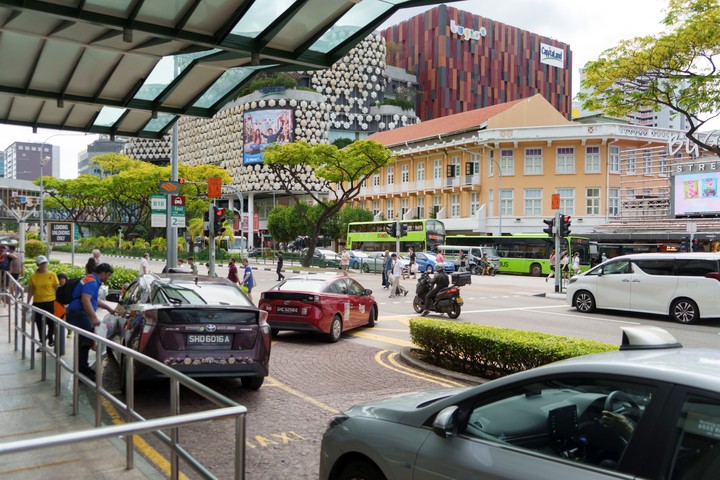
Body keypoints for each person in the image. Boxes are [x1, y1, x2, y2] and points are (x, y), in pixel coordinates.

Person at [65, 263, 115, 381]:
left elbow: (93, 299)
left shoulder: (91, 280)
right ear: (102, 273)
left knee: (84, 342)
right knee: (85, 342)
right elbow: (85, 300)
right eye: (107, 275)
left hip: (78, 314)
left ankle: (82, 369)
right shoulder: (92, 282)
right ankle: (83, 371)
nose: (108, 278)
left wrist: (108, 308)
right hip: (79, 314)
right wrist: (94, 317)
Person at [26, 255, 59, 352]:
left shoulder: (52, 275)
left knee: (51, 322)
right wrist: (27, 303)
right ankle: (42, 341)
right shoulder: (33, 277)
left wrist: (60, 300)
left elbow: (56, 288)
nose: (43, 265)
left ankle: (50, 337)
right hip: (38, 303)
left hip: (50, 302)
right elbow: (31, 291)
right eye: (41, 264)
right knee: (39, 323)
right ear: (38, 265)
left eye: (44, 263)